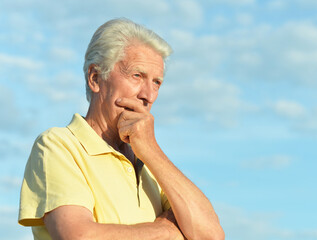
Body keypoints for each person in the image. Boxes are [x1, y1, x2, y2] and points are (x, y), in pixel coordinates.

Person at [18, 18, 224, 240]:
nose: (149, 95)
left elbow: (211, 235)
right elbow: (78, 236)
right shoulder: (57, 145)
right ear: (95, 78)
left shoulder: (150, 161)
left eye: (157, 82)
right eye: (137, 75)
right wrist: (166, 230)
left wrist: (151, 149)